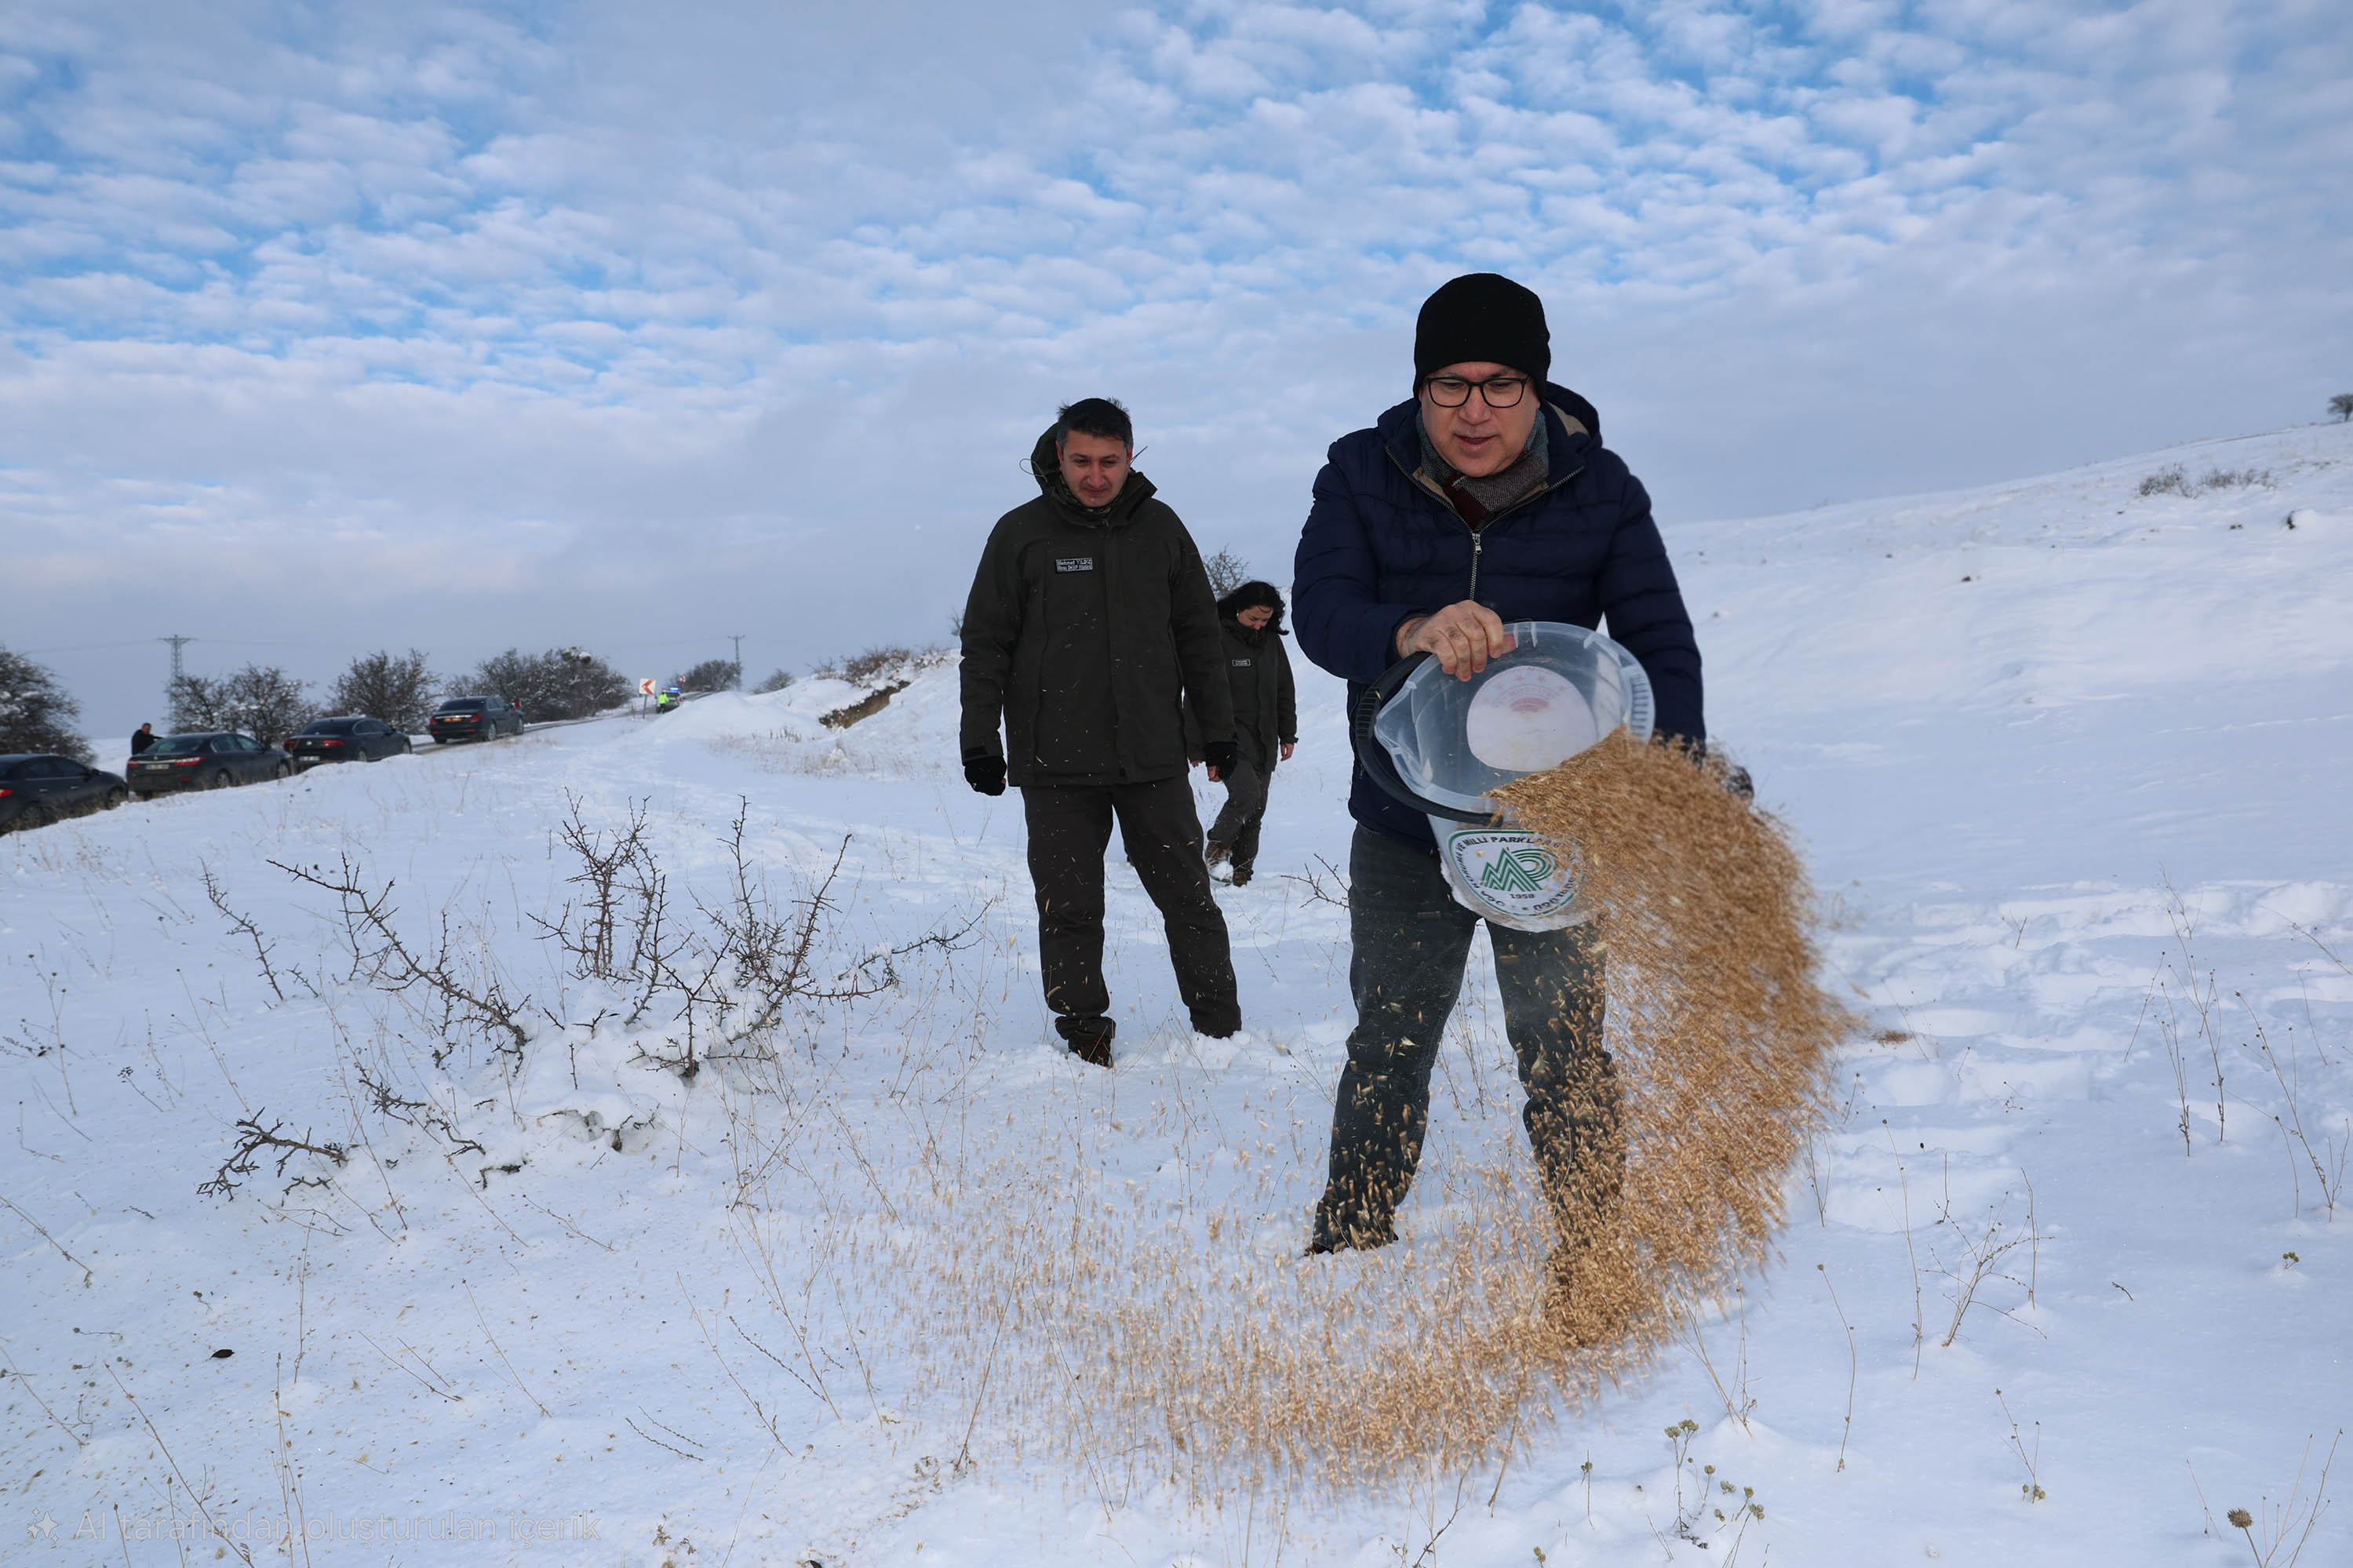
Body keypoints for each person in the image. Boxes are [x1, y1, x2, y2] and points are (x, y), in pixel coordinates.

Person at [1290, 274, 1705, 1304]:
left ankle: (1595, 1244)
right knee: (1388, 1032)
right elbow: (1318, 608)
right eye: (1448, 384)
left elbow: (1657, 638)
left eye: (1501, 383)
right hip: (1404, 814)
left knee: (1562, 1043)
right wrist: (1408, 627)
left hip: (1553, 824)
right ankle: (1349, 1235)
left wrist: (1669, 780)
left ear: (1537, 387)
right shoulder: (1359, 471)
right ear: (1418, 388)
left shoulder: (1600, 489)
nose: (1473, 410)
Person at [960, 397, 1244, 1068]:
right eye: (1081, 460)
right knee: (1068, 908)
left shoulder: (1162, 529)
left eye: (1109, 462)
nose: (1095, 476)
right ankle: (1084, 1034)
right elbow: (985, 643)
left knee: (1189, 899)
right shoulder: (1020, 533)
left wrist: (1218, 729)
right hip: (1054, 764)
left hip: (1152, 757)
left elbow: (1201, 637)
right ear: (1059, 455)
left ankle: (1222, 1031)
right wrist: (980, 740)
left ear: (1130, 458)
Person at [1194, 581, 1298, 887]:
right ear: (1238, 609)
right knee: (1246, 794)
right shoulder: (1216, 638)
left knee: (1257, 809)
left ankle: (1242, 873)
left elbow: (1284, 689)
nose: (1259, 626)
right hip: (1227, 736)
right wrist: (1199, 745)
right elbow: (1200, 694)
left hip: (1264, 737)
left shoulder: (1270, 643)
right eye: (1253, 619)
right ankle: (1216, 848)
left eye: (1265, 621)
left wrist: (1287, 734)